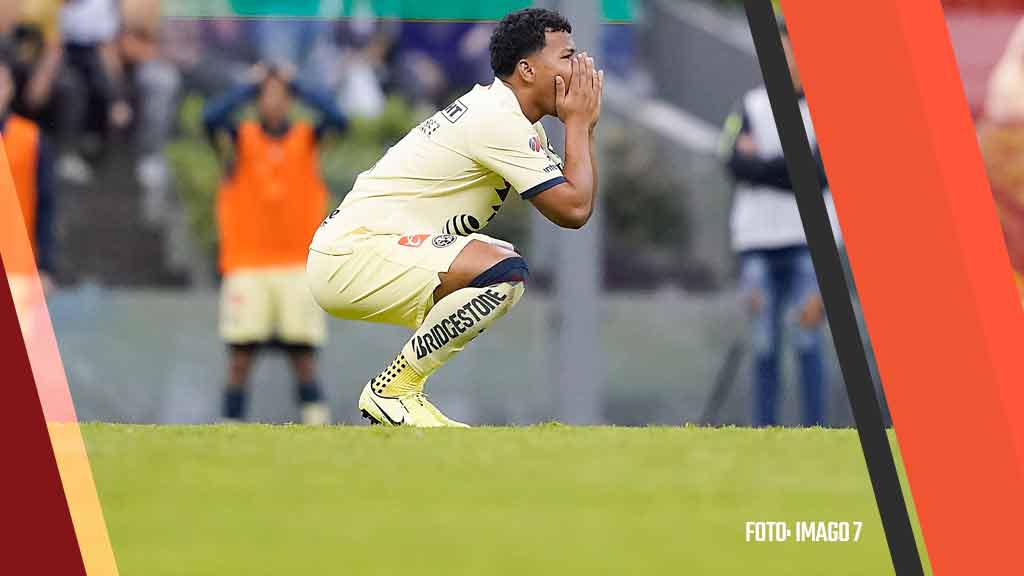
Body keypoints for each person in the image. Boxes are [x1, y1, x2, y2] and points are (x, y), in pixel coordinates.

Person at [307, 8, 603, 427]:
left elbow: (577, 201)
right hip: (352, 253)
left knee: (501, 266)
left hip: (356, 250)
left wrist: (582, 126)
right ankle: (393, 389)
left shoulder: (509, 118)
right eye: (568, 57)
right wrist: (578, 122)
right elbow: (572, 209)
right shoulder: (498, 120)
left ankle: (402, 392)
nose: (580, 69)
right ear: (527, 69)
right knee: (502, 271)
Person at [203, 63, 348, 425]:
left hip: (296, 265)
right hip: (247, 264)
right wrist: (248, 85)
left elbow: (338, 117)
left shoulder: (307, 139)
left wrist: (297, 82)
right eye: (266, 95)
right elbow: (209, 118)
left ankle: (317, 424)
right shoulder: (239, 141)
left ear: (290, 100)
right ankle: (229, 429)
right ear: (257, 101)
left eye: (281, 96)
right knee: (240, 355)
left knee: (303, 355)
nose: (274, 102)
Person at [719, 20, 829, 427]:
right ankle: (762, 430)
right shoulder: (749, 105)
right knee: (763, 345)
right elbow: (730, 159)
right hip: (756, 241)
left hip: (807, 241)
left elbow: (819, 173)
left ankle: (815, 429)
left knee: (808, 342)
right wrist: (787, 167)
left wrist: (761, 164)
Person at [0, 53, 57, 332]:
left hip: (18, 263)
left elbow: (46, 204)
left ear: (10, 87)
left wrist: (46, 265)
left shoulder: (30, 138)